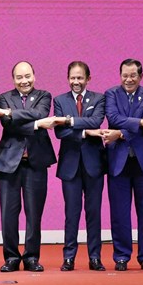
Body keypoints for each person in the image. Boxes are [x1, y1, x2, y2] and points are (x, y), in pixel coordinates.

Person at [0, 61, 61, 272]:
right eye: (19, 77)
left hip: (36, 162)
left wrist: (13, 115)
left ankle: (32, 257)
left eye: (28, 76)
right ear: (13, 79)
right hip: (8, 162)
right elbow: (7, 124)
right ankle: (11, 257)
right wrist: (36, 124)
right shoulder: (4, 97)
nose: (24, 81)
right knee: (9, 213)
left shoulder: (44, 95)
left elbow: (41, 113)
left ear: (34, 75)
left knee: (34, 213)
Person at [103, 58, 143, 271]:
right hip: (118, 161)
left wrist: (121, 133)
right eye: (125, 75)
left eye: (133, 75)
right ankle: (121, 256)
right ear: (120, 76)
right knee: (119, 212)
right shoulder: (111, 94)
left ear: (141, 76)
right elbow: (114, 117)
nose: (128, 79)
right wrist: (140, 124)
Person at [53, 61, 107, 272]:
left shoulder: (99, 98)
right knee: (71, 213)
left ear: (88, 78)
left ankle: (95, 257)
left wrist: (70, 121)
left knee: (94, 213)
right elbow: (59, 133)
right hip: (70, 165)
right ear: (68, 79)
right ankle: (69, 257)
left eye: (80, 78)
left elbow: (96, 121)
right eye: (73, 78)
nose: (76, 82)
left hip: (94, 164)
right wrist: (85, 131)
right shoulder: (59, 100)